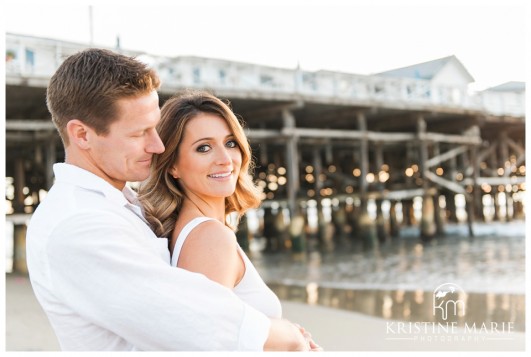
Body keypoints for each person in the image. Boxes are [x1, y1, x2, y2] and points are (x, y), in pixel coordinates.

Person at [25, 48, 312, 351]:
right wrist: (291, 336)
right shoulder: (79, 224)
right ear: (82, 135)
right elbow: (198, 326)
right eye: (140, 133)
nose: (158, 145)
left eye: (156, 127)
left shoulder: (119, 204)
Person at [138, 90, 320, 350]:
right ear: (172, 166)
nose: (225, 159)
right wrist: (291, 338)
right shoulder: (209, 237)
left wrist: (283, 334)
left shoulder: (198, 232)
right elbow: (209, 344)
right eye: (204, 148)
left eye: (230, 143)